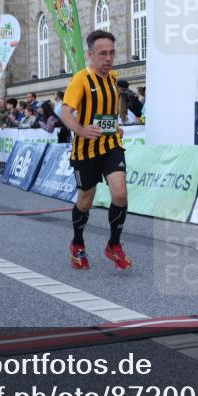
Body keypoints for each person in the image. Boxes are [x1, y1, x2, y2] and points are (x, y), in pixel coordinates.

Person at [59, 29, 132, 272]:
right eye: (102, 54)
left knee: (120, 194)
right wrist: (80, 130)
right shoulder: (81, 79)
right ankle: (77, 243)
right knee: (85, 201)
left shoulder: (114, 79)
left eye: (111, 53)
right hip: (85, 150)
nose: (108, 58)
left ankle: (114, 244)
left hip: (110, 145)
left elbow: (109, 114)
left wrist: (116, 127)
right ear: (90, 54)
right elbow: (66, 113)